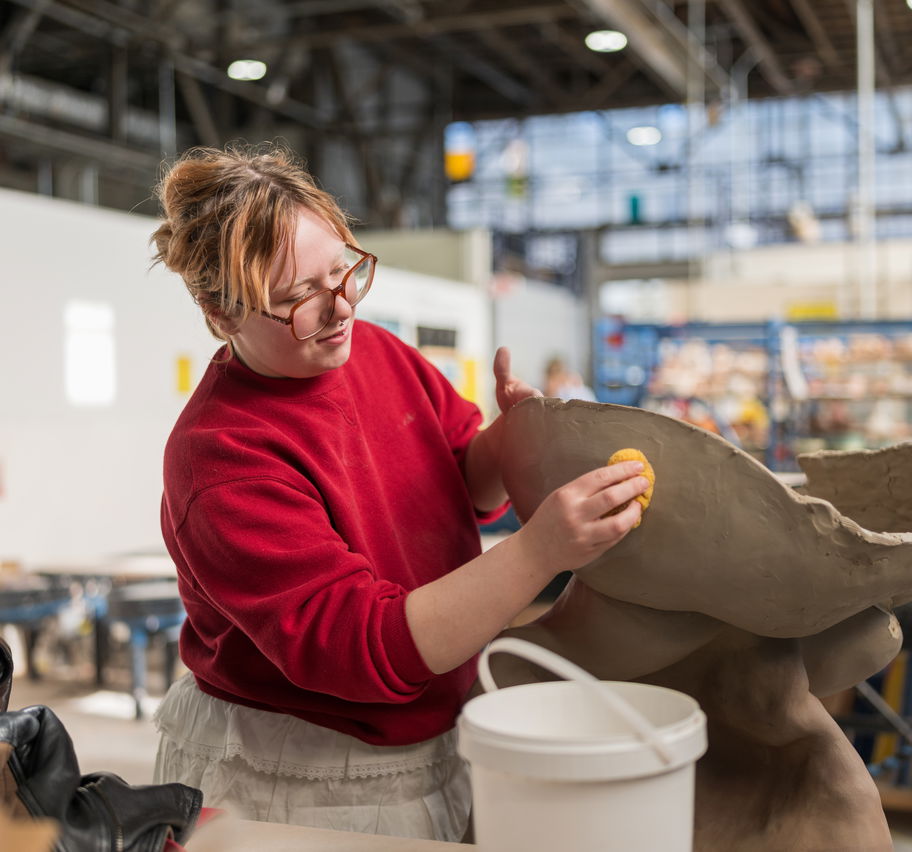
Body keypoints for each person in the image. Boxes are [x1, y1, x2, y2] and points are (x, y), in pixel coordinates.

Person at [148, 146, 649, 841]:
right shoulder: (220, 458)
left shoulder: (375, 350)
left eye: (345, 270)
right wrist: (539, 554)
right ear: (219, 311)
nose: (340, 306)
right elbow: (367, 647)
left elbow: (457, 474)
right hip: (300, 771)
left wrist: (510, 443)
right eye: (298, 299)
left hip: (430, 728)